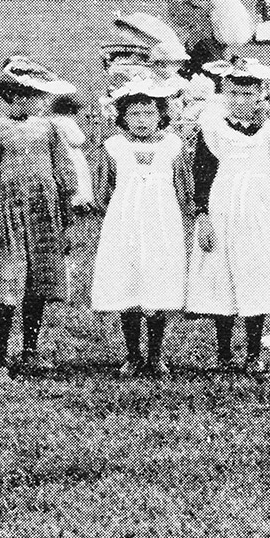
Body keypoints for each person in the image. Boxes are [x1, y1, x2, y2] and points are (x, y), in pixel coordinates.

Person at [0, 59, 79, 382]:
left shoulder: (50, 130)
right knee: (5, 285)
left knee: (37, 284)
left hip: (44, 217)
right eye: (37, 96)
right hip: (8, 219)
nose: (44, 103)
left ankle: (30, 350)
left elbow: (64, 177)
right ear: (16, 96)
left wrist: (66, 223)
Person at [187, 58, 270, 378]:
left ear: (261, 95)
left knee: (256, 271)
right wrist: (202, 214)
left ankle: (254, 353)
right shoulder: (213, 126)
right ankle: (223, 353)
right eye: (234, 94)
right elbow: (202, 173)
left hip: (262, 205)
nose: (241, 100)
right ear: (225, 95)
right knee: (223, 272)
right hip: (224, 203)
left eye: (249, 94)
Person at [90, 81, 192, 376]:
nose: (142, 120)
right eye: (134, 114)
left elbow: (184, 188)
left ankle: (156, 355)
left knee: (157, 283)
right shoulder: (114, 147)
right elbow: (103, 192)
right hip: (125, 225)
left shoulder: (173, 146)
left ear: (161, 115)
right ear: (122, 117)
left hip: (162, 224)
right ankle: (133, 354)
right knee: (129, 282)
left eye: (148, 113)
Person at [167, 0, 218, 75]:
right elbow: (178, 20)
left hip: (204, 40)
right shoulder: (179, 2)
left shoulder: (206, 1)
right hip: (193, 40)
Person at [48, 91, 95, 210]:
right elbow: (78, 139)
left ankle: (69, 202)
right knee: (79, 176)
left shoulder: (52, 121)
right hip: (72, 154)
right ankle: (80, 202)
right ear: (70, 110)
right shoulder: (67, 122)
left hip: (59, 155)